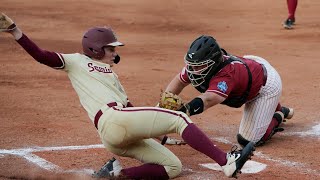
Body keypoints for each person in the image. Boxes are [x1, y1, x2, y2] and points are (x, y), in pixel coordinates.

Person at [0, 13, 255, 179]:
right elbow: (41, 55)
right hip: (113, 119)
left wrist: (160, 134)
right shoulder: (75, 61)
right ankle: (227, 162)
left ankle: (113, 175)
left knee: (173, 167)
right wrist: (15, 30)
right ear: (96, 49)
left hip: (117, 133)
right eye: (111, 48)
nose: (114, 52)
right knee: (180, 118)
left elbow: (133, 110)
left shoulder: (112, 76)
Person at [163, 35, 294, 148]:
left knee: (248, 141)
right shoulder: (198, 67)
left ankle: (278, 113)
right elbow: (178, 81)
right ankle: (270, 107)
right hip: (251, 68)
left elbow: (209, 99)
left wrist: (185, 110)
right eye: (192, 65)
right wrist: (164, 102)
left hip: (266, 86)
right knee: (245, 87)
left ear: (213, 63)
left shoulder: (226, 75)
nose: (193, 69)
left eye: (198, 65)